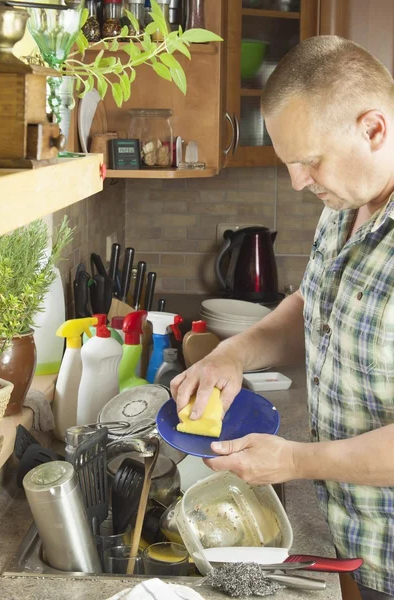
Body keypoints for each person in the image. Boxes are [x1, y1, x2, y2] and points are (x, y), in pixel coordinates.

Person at [171, 35, 394, 600]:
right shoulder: (343, 202)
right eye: (290, 163)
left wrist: (296, 460)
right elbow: (316, 307)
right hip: (356, 546)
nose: (299, 182)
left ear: (373, 129)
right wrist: (231, 355)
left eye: (309, 161)